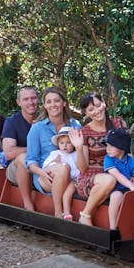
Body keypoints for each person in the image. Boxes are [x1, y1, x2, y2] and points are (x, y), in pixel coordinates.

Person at [25, 87, 82, 218]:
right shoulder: (37, 128)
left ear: (64, 103)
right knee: (63, 168)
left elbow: (81, 151)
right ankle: (58, 213)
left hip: (73, 174)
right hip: (46, 176)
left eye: (56, 101)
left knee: (66, 168)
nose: (53, 105)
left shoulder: (75, 125)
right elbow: (30, 160)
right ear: (44, 105)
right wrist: (41, 172)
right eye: (49, 102)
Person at [75, 92, 126, 226]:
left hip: (119, 172)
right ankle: (85, 215)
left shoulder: (117, 123)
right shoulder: (85, 131)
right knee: (110, 180)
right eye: (91, 109)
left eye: (98, 105)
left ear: (104, 102)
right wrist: (79, 148)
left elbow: (127, 152)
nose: (97, 111)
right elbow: (82, 168)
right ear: (86, 112)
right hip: (92, 177)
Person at [2, 86, 39, 210]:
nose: (30, 102)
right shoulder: (12, 122)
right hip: (16, 168)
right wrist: (34, 148)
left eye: (33, 98)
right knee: (23, 158)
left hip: (41, 163)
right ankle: (27, 203)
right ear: (19, 102)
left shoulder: (45, 119)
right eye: (26, 99)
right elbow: (9, 153)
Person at [102, 128, 134, 228]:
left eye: (111, 146)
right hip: (114, 188)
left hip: (128, 188)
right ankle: (113, 228)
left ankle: (131, 227)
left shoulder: (130, 160)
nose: (107, 149)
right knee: (116, 196)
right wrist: (132, 186)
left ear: (122, 147)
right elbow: (116, 174)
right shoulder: (108, 159)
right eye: (107, 145)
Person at [42, 126, 82, 221]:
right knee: (63, 171)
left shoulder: (76, 155)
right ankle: (59, 211)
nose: (65, 145)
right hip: (60, 179)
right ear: (58, 144)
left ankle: (67, 212)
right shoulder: (56, 154)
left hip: (73, 180)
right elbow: (46, 166)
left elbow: (79, 169)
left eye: (68, 143)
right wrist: (54, 162)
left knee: (69, 192)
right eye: (62, 143)